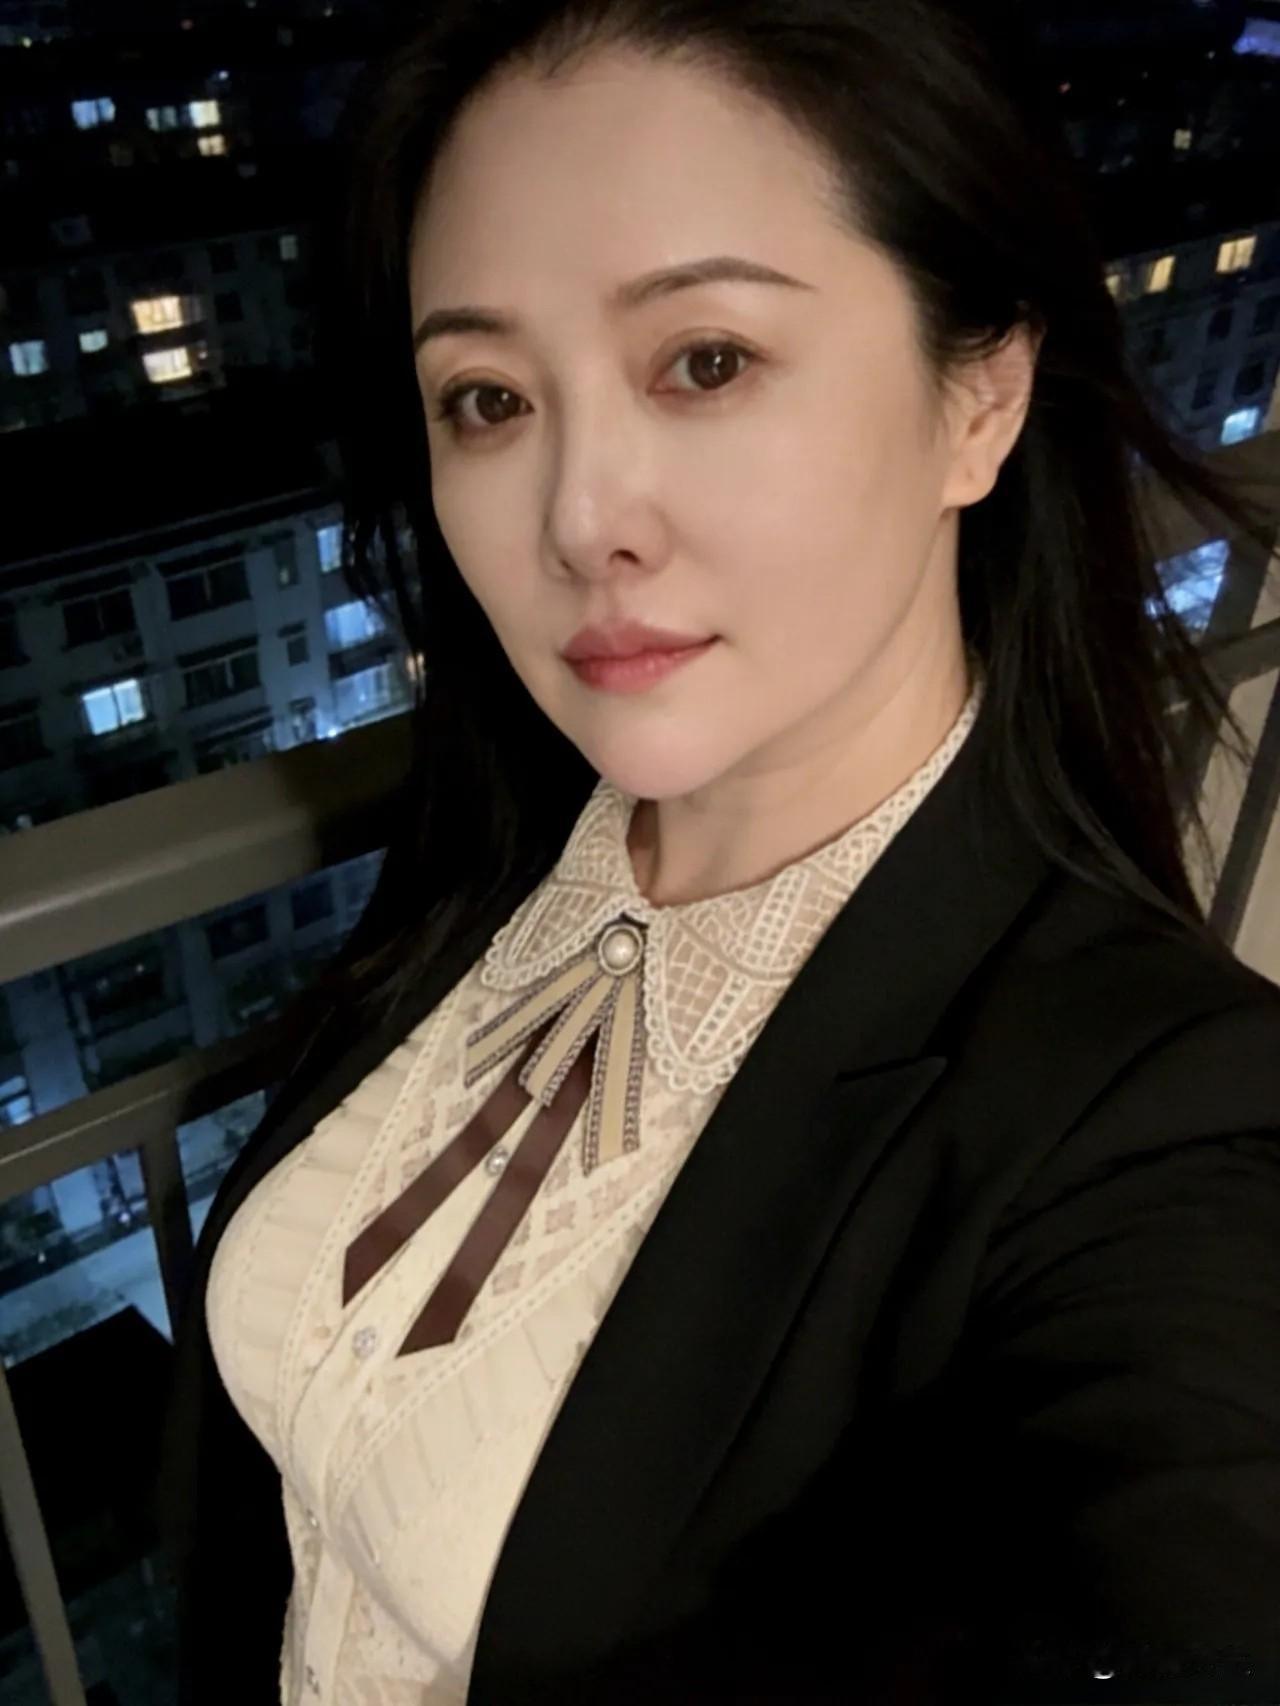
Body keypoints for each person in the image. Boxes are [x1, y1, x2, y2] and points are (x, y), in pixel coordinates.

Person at [156, 1, 1280, 1701]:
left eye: (706, 361)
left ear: (979, 396)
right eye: (487, 398)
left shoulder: (1153, 1121)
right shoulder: (513, 835)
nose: (579, 519)